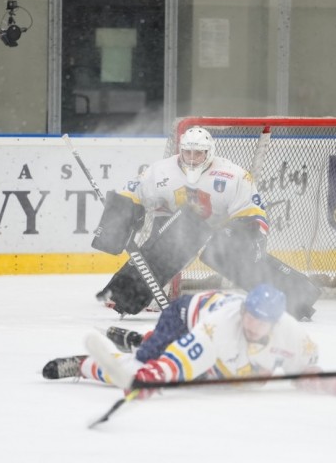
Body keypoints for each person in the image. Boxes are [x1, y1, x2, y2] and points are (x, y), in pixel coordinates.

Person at [89, 125, 320, 320]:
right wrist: (119, 215)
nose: (191, 159)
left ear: (209, 153)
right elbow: (131, 193)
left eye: (198, 154)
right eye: (187, 153)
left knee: (229, 252)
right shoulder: (160, 171)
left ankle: (297, 297)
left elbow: (253, 213)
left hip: (221, 228)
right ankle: (125, 294)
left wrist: (251, 241)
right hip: (173, 226)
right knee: (181, 233)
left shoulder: (234, 175)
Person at [43, 285, 336, 397]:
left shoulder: (292, 335)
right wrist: (149, 378)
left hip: (213, 336)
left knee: (252, 379)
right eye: (250, 316)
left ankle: (140, 339)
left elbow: (306, 368)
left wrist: (318, 380)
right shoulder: (219, 329)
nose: (252, 325)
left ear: (276, 322)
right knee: (141, 365)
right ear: (243, 311)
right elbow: (176, 364)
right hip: (184, 317)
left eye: (261, 320)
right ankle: (84, 365)